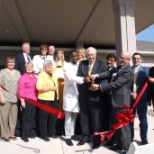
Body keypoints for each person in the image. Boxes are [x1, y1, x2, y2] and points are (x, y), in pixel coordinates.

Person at [90, 52, 133, 154]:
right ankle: (118, 145)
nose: (120, 59)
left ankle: (126, 149)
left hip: (122, 103)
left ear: (128, 60)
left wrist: (100, 87)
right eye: (120, 57)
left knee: (123, 128)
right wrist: (97, 75)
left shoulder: (128, 71)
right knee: (115, 126)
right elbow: (108, 73)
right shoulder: (119, 68)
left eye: (123, 58)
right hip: (114, 101)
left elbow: (117, 84)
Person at [76, 47, 107, 149]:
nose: (90, 56)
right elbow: (78, 77)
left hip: (96, 96)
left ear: (95, 55)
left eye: (92, 54)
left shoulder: (101, 64)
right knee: (84, 117)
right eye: (88, 55)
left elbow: (105, 78)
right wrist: (83, 79)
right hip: (84, 95)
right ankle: (85, 137)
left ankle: (96, 139)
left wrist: (98, 87)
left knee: (96, 119)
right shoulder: (82, 63)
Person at [91, 53, 117, 146]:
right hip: (103, 97)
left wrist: (97, 76)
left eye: (111, 60)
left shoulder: (116, 70)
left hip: (113, 98)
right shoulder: (104, 69)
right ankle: (105, 137)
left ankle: (113, 139)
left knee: (112, 120)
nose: (109, 62)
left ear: (115, 61)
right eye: (108, 60)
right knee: (104, 118)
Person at [63, 50, 84, 146]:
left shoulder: (79, 65)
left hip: (77, 95)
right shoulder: (66, 66)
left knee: (74, 117)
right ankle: (67, 136)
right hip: (69, 94)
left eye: (76, 56)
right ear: (69, 57)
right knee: (68, 117)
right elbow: (71, 78)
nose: (74, 57)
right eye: (72, 56)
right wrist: (84, 79)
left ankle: (72, 134)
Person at [36, 60, 59, 141]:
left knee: (53, 117)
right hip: (44, 99)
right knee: (43, 117)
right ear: (44, 67)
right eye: (47, 65)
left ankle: (51, 133)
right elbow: (39, 87)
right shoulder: (42, 74)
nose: (49, 66)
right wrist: (51, 88)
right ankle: (44, 135)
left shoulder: (55, 74)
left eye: (50, 65)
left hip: (55, 98)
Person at [0, 57, 21, 142]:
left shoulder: (18, 73)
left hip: (15, 99)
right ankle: (5, 135)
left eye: (12, 62)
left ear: (15, 63)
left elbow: (20, 85)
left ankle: (11, 133)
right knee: (3, 117)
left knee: (13, 118)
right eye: (9, 62)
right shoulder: (2, 72)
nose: (11, 64)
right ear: (7, 63)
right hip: (5, 98)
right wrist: (1, 96)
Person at [130, 53, 149, 145]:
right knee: (130, 119)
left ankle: (144, 138)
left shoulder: (146, 70)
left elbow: (149, 85)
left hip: (142, 98)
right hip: (130, 99)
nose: (136, 60)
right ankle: (130, 138)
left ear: (141, 60)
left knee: (143, 119)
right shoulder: (128, 70)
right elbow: (124, 84)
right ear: (132, 59)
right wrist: (131, 93)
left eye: (138, 58)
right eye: (134, 58)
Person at [17, 62, 38, 142]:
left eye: (30, 67)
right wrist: (22, 101)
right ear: (25, 68)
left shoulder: (35, 77)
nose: (29, 68)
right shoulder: (23, 78)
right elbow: (20, 91)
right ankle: (24, 135)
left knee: (31, 117)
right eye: (27, 67)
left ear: (33, 68)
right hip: (27, 100)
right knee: (26, 118)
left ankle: (30, 132)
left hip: (34, 100)